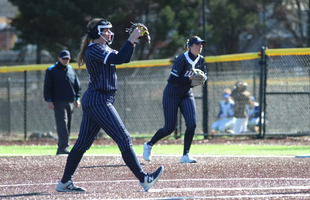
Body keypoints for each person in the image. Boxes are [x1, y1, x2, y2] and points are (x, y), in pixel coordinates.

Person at [55, 18, 163, 193]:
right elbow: (119, 58)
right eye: (106, 30)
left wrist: (133, 41)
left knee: (82, 144)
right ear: (97, 32)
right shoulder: (94, 49)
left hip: (98, 99)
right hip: (99, 99)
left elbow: (124, 59)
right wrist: (131, 38)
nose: (110, 33)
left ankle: (64, 183)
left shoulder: (102, 48)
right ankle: (144, 179)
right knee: (124, 139)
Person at [143, 36, 207, 163]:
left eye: (201, 44)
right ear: (190, 46)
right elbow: (173, 79)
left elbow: (204, 76)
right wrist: (189, 79)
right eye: (197, 44)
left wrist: (200, 79)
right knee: (169, 128)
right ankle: (149, 144)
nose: (200, 46)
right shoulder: (181, 58)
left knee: (192, 124)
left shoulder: (201, 59)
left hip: (186, 93)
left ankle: (185, 155)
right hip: (172, 93)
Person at [44, 50, 81, 155]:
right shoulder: (51, 70)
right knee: (62, 125)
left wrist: (77, 98)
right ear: (59, 59)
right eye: (63, 58)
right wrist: (49, 100)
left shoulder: (70, 70)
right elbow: (47, 87)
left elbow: (77, 85)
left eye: (67, 59)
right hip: (58, 102)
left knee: (68, 125)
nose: (65, 60)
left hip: (70, 101)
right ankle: (64, 148)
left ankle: (61, 148)